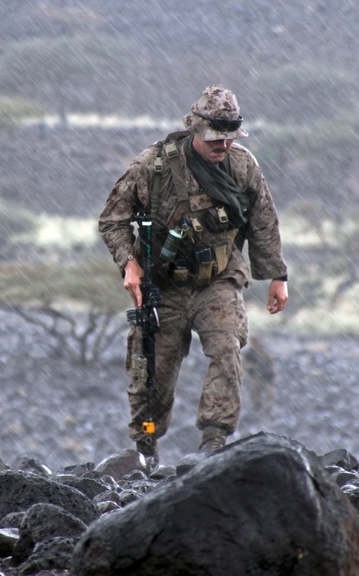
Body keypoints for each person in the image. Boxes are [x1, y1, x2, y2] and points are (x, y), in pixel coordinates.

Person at [98, 85, 288, 469]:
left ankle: (214, 442)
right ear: (195, 132)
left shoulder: (242, 165)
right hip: (162, 285)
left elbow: (262, 219)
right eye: (215, 138)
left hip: (217, 280)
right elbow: (113, 220)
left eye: (229, 137)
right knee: (153, 369)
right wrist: (128, 264)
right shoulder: (152, 166)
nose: (222, 145)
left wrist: (277, 275)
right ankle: (145, 446)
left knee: (226, 349)